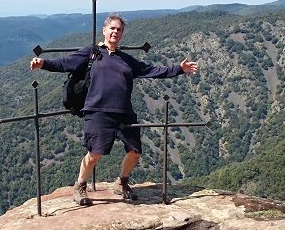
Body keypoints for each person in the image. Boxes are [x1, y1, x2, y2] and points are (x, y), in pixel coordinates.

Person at [30, 13, 198, 205]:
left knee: (135, 151)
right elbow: (66, 63)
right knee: (95, 153)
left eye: (119, 30)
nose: (115, 32)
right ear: (104, 31)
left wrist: (178, 69)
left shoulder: (126, 60)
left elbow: (150, 70)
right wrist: (43, 64)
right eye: (112, 28)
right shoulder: (92, 53)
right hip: (97, 111)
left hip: (124, 112)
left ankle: (122, 182)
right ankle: (80, 186)